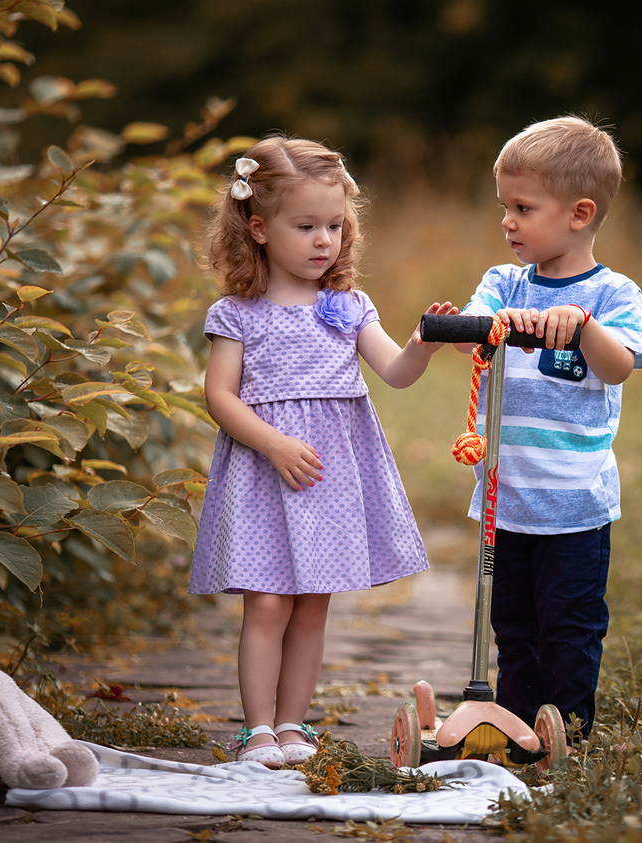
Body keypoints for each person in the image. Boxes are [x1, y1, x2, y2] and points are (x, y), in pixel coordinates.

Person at [189, 136, 457, 768]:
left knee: (313, 608)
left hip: (329, 480)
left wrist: (423, 342)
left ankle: (292, 725)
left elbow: (394, 371)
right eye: (305, 225)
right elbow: (219, 396)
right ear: (258, 227)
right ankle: (256, 730)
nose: (322, 241)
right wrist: (273, 442)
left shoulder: (347, 306)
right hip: (266, 471)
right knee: (268, 603)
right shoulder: (239, 313)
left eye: (334, 226)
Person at [456, 116, 642, 742]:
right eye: (503, 208)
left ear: (579, 213)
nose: (508, 222)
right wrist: (484, 324)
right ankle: (517, 729)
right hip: (504, 500)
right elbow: (472, 331)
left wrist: (582, 327)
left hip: (575, 505)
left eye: (523, 207)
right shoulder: (503, 282)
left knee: (568, 626)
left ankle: (568, 730)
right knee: (511, 626)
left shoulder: (614, 294)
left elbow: (619, 365)